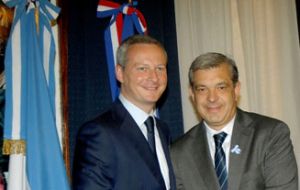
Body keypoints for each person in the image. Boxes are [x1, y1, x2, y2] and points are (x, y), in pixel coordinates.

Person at [170, 52, 298, 190]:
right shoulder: (178, 153)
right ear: (192, 94)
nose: (212, 98)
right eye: (202, 89)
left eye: (221, 87)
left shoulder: (271, 135)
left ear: (236, 90)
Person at [72, 35, 176, 190]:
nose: (154, 78)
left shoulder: (163, 130)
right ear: (120, 73)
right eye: (143, 68)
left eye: (160, 68)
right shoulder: (99, 134)